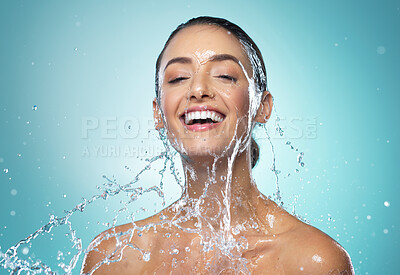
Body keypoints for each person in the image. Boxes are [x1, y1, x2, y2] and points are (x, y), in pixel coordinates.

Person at [81, 16, 354, 274]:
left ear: (262, 106)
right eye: (178, 78)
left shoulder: (313, 261)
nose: (198, 89)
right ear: (158, 113)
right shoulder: (116, 257)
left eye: (224, 75)